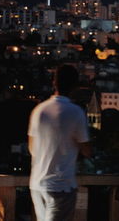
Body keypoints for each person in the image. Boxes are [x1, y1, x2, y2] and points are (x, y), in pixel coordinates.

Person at [28, 64, 92, 221]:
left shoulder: (39, 110)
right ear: (75, 86)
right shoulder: (75, 112)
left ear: (54, 83)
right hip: (61, 185)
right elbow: (87, 150)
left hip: (37, 184)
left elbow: (32, 148)